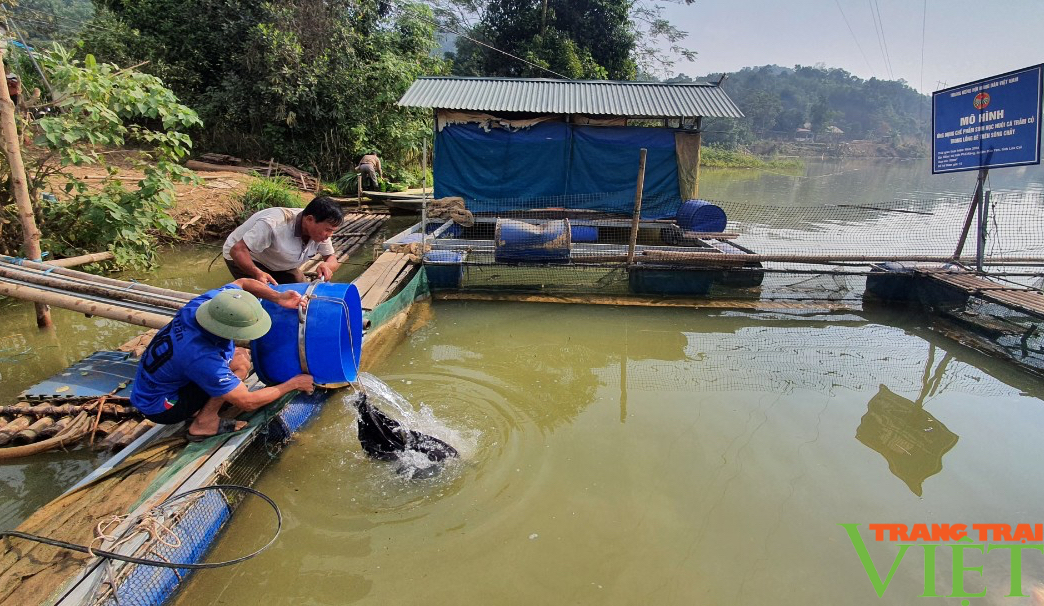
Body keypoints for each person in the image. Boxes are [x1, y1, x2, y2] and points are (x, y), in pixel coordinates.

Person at [130, 279, 315, 440]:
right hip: (162, 406)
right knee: (241, 364)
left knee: (239, 355)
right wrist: (294, 384)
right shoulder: (202, 357)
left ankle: (200, 404)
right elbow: (248, 402)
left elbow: (243, 283)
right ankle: (204, 423)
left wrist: (278, 297)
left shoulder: (206, 304)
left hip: (153, 384)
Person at [223, 196, 343, 285]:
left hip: (281, 260)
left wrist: (327, 266)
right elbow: (238, 250)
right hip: (248, 256)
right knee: (265, 296)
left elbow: (331, 258)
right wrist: (257, 273)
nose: (329, 235)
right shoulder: (274, 223)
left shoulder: (321, 232)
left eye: (332, 230)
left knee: (303, 290)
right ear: (309, 219)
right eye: (328, 230)